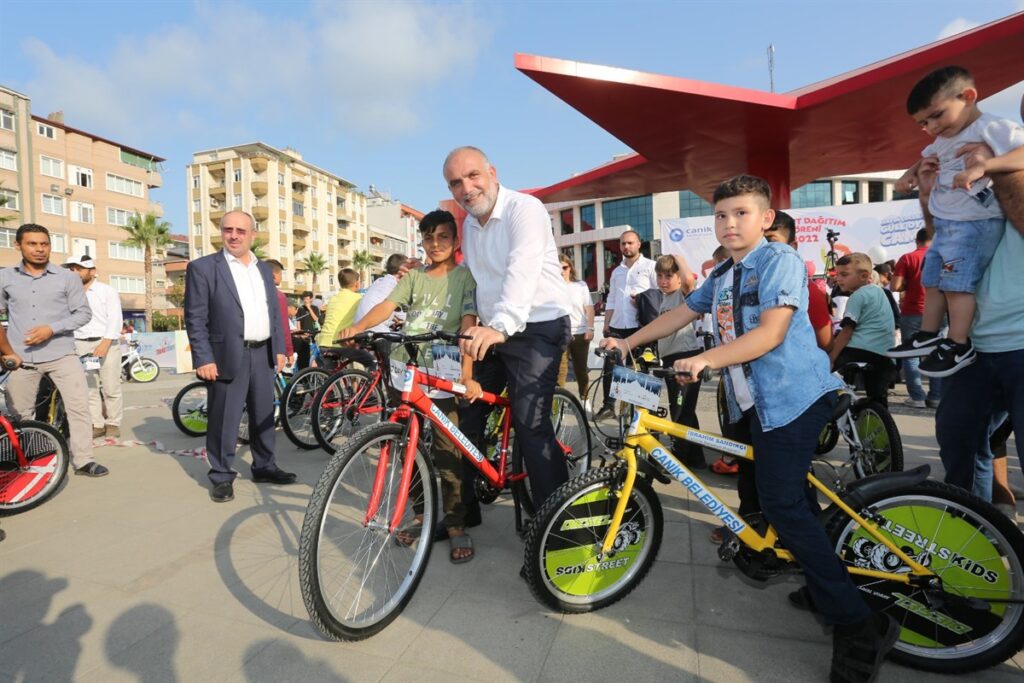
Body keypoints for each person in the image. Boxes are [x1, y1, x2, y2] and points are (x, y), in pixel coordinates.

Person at [601, 175, 896, 681]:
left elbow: (771, 332)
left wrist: (705, 359)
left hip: (795, 397)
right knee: (790, 497)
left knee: (780, 501)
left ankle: (860, 626)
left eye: (741, 213)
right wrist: (625, 343)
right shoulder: (724, 273)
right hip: (755, 403)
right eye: (721, 215)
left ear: (764, 218)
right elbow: (678, 316)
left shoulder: (778, 261)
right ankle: (825, 578)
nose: (730, 223)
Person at [340, 211, 479, 562]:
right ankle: (420, 513)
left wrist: (467, 372)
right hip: (407, 368)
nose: (435, 245)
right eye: (429, 238)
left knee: (449, 451)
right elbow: (387, 307)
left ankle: (456, 522)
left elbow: (467, 322)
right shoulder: (413, 277)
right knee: (406, 446)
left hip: (444, 372)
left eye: (443, 237)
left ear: (455, 241)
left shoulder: (465, 278)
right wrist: (357, 328)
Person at [443, 145, 572, 511]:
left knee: (531, 426)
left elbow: (522, 268)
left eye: (473, 176)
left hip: (538, 326)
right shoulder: (469, 224)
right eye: (455, 183)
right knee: (466, 414)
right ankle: (461, 514)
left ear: (493, 173)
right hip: (496, 329)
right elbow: (477, 280)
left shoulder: (524, 209)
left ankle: (558, 527)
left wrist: (499, 325)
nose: (466, 188)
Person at [887, 66, 1024, 377]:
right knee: (932, 278)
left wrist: (987, 164)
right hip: (950, 222)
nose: (931, 127)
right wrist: (910, 175)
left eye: (936, 116)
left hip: (974, 222)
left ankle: (958, 342)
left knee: (956, 284)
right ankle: (929, 333)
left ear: (968, 97)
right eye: (923, 123)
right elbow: (924, 157)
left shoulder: (992, 127)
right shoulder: (946, 137)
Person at [935, 92, 1024, 497]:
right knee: (961, 449)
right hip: (977, 345)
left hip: (1020, 341)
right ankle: (976, 542)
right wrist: (929, 189)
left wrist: (992, 162)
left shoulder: (1005, 163)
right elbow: (951, 236)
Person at [184, 210, 292, 503]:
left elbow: (274, 313)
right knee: (224, 419)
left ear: (252, 235)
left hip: (263, 353)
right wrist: (203, 358)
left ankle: (264, 466)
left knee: (263, 415)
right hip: (225, 355)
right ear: (221, 232)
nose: (233, 235)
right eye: (228, 229)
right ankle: (221, 475)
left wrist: (280, 348)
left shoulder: (262, 270)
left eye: (240, 231)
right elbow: (195, 318)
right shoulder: (204, 268)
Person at [0, 224, 107, 477]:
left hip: (62, 355)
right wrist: (5, 352)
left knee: (78, 407)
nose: (39, 249)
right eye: (32, 244)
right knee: (20, 413)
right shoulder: (5, 277)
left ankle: (83, 461)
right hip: (21, 358)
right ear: (19, 246)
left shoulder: (67, 277)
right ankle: (26, 459)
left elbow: (83, 314)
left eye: (44, 244)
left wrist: (52, 328)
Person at [596, 230, 657, 419]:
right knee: (611, 366)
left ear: (639, 244)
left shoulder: (651, 266)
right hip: (617, 326)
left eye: (630, 243)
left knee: (640, 369)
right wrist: (606, 325)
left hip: (640, 326)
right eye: (623, 243)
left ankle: (641, 414)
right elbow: (612, 299)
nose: (626, 247)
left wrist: (641, 300)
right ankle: (608, 406)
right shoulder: (616, 271)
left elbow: (657, 295)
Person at [651, 255, 704, 469]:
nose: (663, 280)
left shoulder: (682, 296)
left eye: (669, 276)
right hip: (670, 358)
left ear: (679, 278)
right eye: (660, 276)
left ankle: (680, 456)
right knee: (685, 409)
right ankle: (696, 457)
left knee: (681, 410)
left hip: (685, 356)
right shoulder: (665, 298)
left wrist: (677, 257)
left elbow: (690, 281)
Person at [64, 255, 124, 439]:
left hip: (106, 343)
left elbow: (115, 318)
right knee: (89, 387)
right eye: (71, 268)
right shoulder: (70, 293)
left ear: (92, 271)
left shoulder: (107, 291)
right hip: (81, 344)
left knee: (111, 387)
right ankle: (97, 424)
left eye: (78, 268)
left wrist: (105, 344)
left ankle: (113, 422)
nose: (74, 272)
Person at [829, 253, 896, 408]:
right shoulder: (880, 292)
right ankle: (881, 425)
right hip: (884, 353)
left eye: (844, 274)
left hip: (858, 349)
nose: (838, 279)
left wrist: (831, 357)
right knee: (878, 398)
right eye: (837, 274)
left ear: (864, 276)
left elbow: (847, 331)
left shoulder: (857, 296)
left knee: (826, 375)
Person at [764, 211, 832, 351]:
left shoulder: (809, 290)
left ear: (793, 246)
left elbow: (826, 343)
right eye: (758, 242)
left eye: (771, 241)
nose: (763, 248)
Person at [891, 229, 942, 408]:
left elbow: (895, 286)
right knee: (936, 353)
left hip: (913, 310)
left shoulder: (908, 258)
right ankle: (936, 397)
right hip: (939, 311)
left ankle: (917, 397)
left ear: (917, 241)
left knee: (911, 354)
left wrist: (907, 284)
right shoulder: (943, 255)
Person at [556, 253, 594, 402]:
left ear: (570, 268)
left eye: (564, 268)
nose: (562, 272)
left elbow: (589, 308)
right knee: (560, 371)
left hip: (580, 332)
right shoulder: (552, 287)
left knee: (581, 370)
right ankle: (558, 404)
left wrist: (590, 329)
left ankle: (585, 400)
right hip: (560, 333)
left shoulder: (580, 286)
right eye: (558, 269)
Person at [353, 254, 408, 333]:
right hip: (375, 332)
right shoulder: (395, 286)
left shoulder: (379, 281)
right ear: (403, 270)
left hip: (358, 330)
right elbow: (404, 316)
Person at [317, 269, 361, 348]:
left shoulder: (333, 299)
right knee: (368, 359)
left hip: (323, 341)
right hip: (340, 343)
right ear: (356, 283)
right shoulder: (358, 298)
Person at [263, 260, 294, 364]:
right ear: (274, 274)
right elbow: (283, 325)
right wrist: (289, 351)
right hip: (273, 346)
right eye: (281, 273)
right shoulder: (278, 296)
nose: (281, 277)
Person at [294, 291, 320, 368]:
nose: (305, 300)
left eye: (307, 299)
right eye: (304, 299)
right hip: (304, 336)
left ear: (311, 299)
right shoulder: (300, 309)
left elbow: (315, 319)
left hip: (313, 336)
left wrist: (309, 308)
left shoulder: (315, 308)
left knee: (313, 358)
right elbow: (298, 322)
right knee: (304, 357)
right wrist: (300, 334)